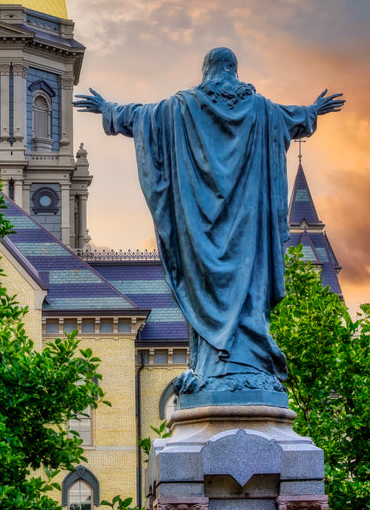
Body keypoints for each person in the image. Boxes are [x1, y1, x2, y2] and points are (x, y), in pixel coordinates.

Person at [74, 48, 345, 403]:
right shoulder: (261, 110)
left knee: (203, 287)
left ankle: (213, 365)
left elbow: (143, 116)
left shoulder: (181, 108)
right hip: (249, 230)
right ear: (234, 71)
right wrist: (312, 111)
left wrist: (109, 110)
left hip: (199, 231)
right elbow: (291, 118)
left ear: (206, 72)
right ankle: (246, 365)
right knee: (251, 290)